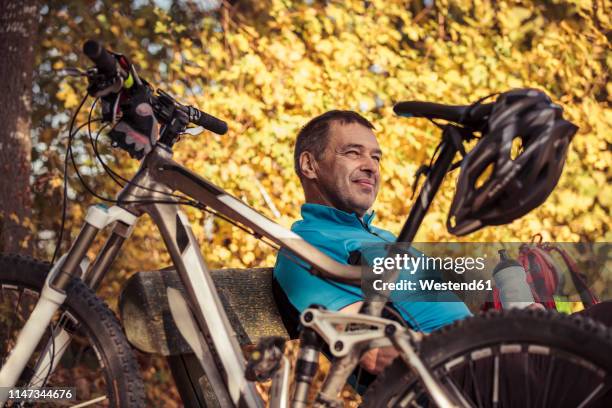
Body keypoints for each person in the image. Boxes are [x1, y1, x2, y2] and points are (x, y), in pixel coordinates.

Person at [272, 110, 473, 375]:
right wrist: (485, 348)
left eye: (375, 157)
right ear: (310, 165)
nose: (371, 166)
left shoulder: (383, 237)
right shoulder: (305, 251)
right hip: (452, 380)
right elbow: (373, 352)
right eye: (353, 153)